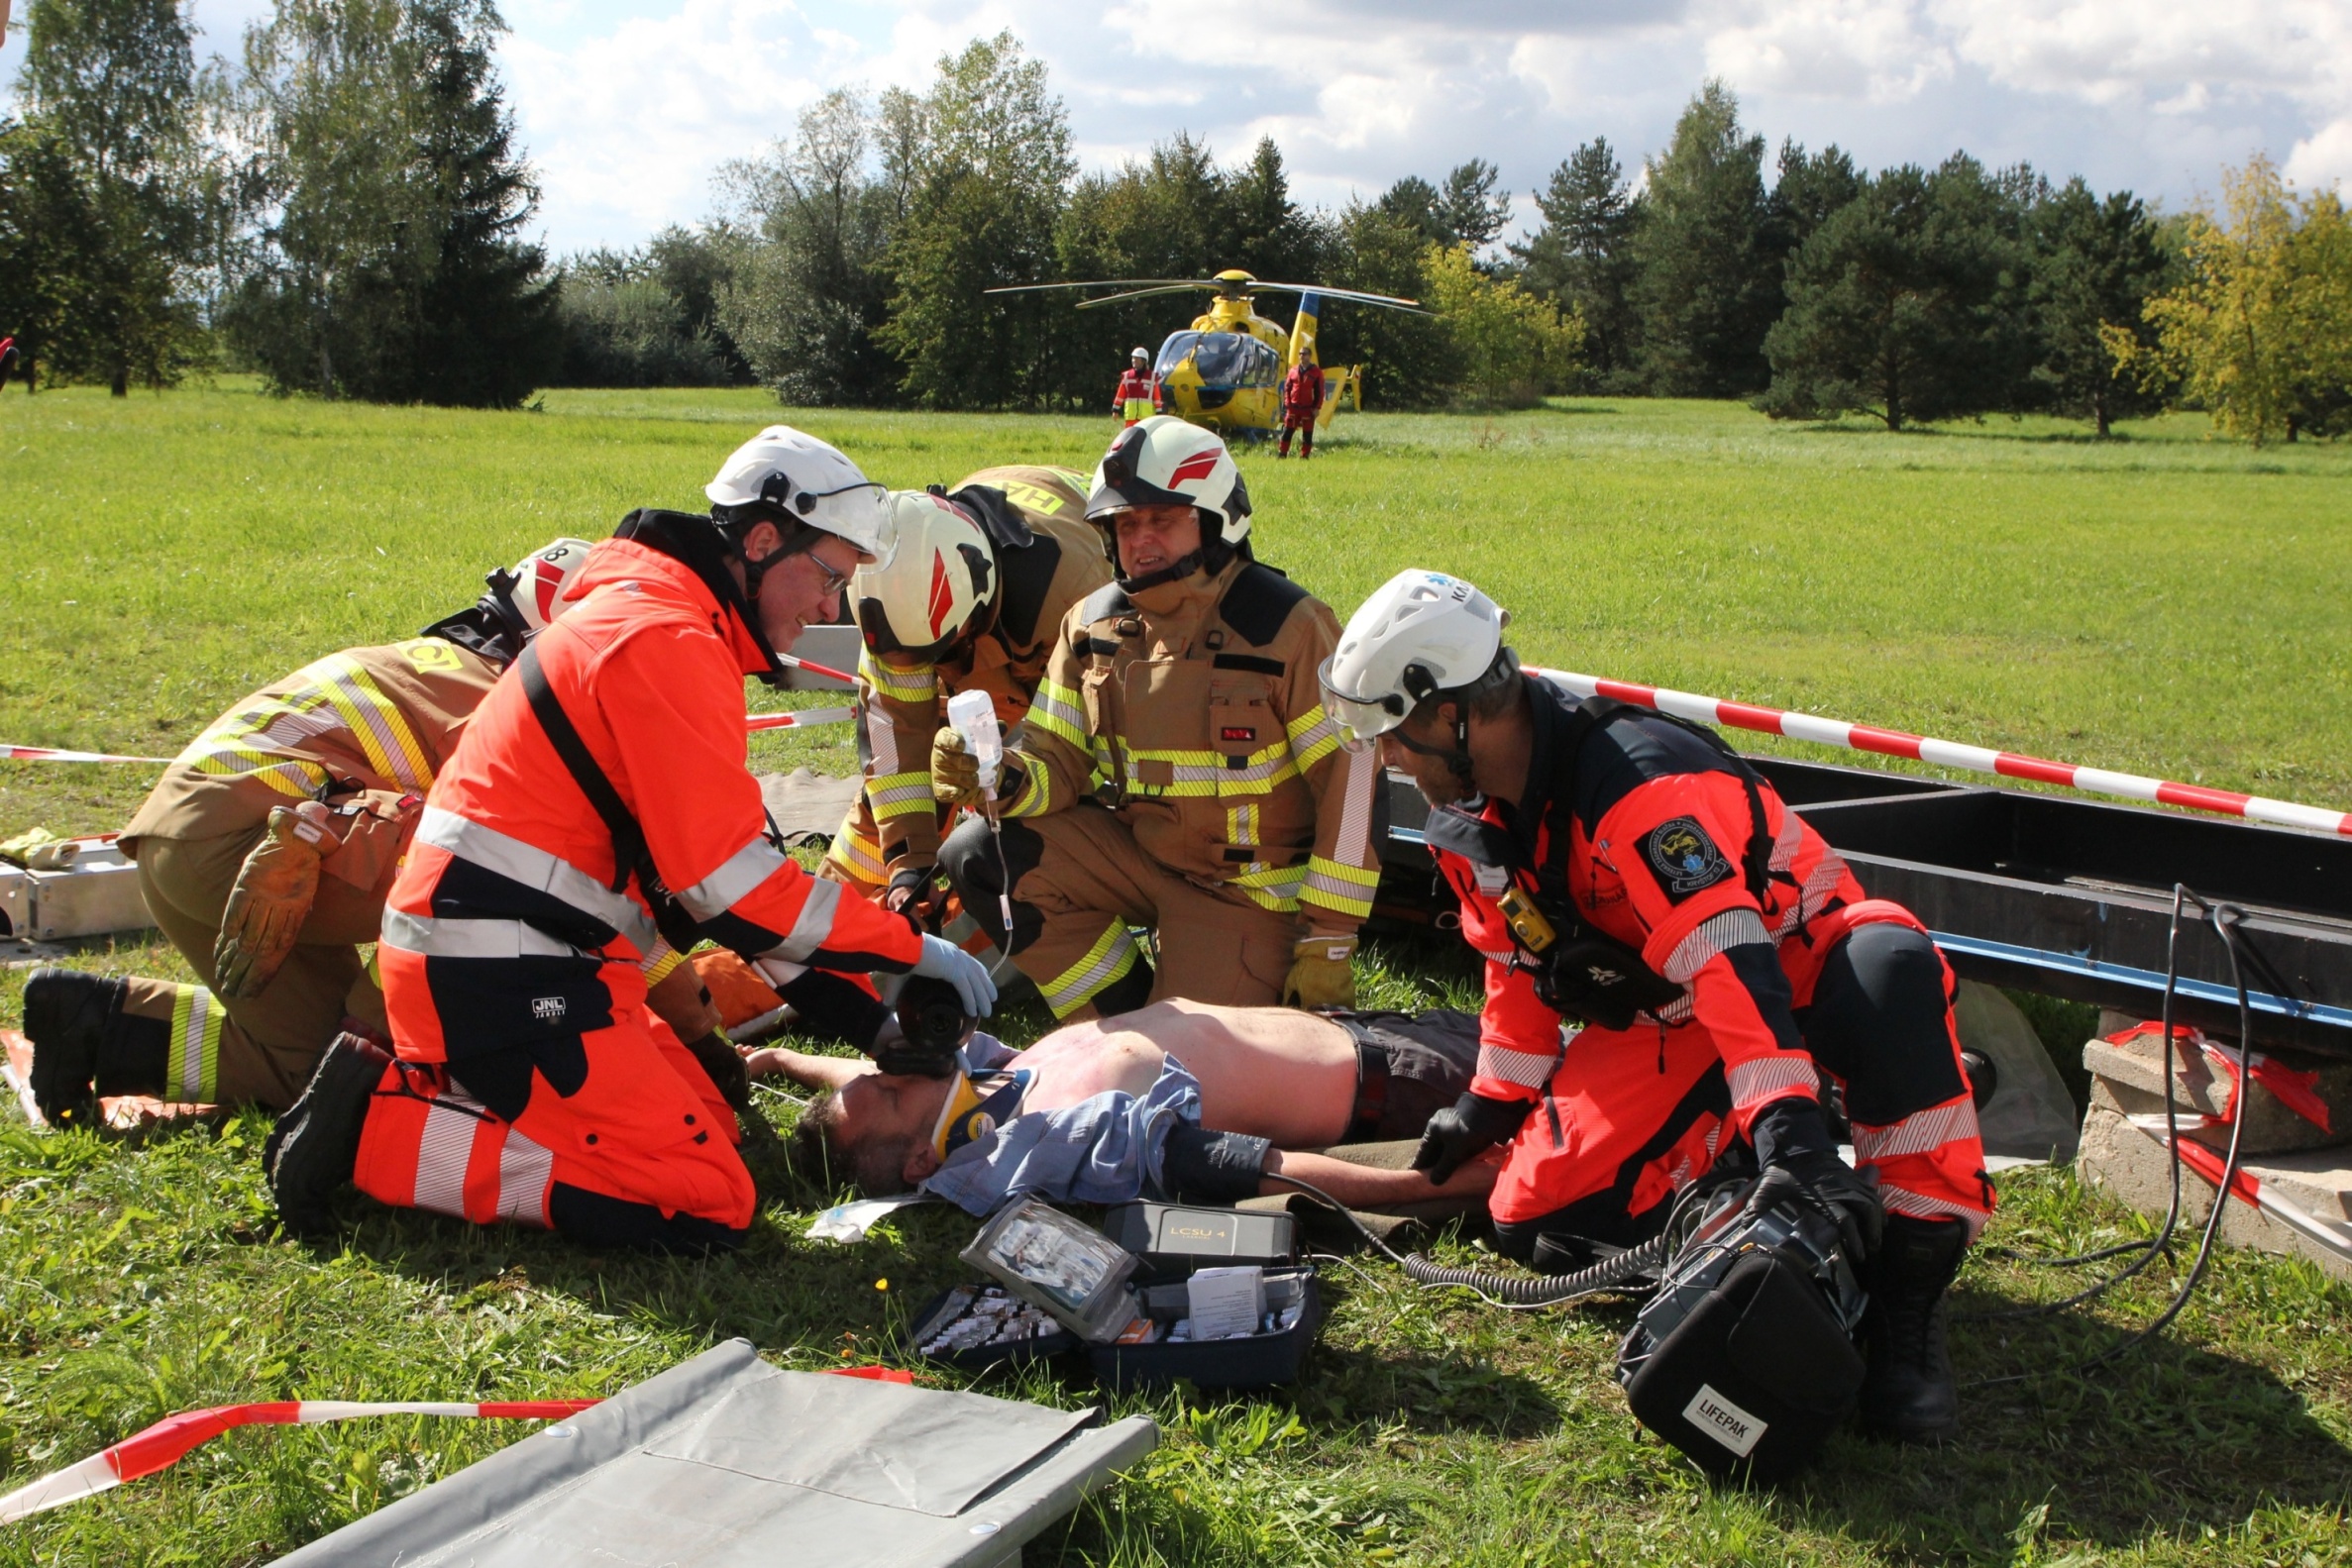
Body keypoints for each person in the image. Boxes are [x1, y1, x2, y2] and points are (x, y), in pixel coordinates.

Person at [263, 426, 999, 1253]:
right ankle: (380, 1126)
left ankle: (457, 1092)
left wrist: (875, 1027)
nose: (831, 608)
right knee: (709, 1199)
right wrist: (911, 949)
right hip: (497, 969)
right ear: (763, 541)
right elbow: (732, 891)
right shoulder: (670, 641)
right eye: (829, 576)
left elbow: (722, 890)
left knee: (718, 1124)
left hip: (526, 955)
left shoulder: (663, 620)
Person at [1320, 569, 1993, 1444]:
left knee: (1890, 968)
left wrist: (1789, 1129)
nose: (1388, 759)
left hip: (1800, 972)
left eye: (1393, 734)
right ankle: (1754, 1181)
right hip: (1676, 1017)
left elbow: (1731, 966)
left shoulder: (1640, 789)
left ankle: (1907, 1296)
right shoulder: (1472, 816)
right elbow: (1514, 963)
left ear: (1453, 713)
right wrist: (1489, 1104)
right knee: (1533, 1219)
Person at [17, 543, 740, 1126]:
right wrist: (698, 1032)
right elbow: (557, 888)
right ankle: (380, 1049)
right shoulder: (512, 705)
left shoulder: (437, 667)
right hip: (262, 844)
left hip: (178, 840)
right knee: (497, 897)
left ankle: (93, 1022)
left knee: (311, 1071)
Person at [930, 416, 1382, 1021]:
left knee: (1193, 1067)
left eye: (1162, 520)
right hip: (1139, 858)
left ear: (1216, 520)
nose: (1141, 540)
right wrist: (1000, 776)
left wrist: (1329, 938)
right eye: (1125, 524)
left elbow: (1352, 788)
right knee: (982, 854)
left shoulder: (1289, 628)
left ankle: (1168, 1014)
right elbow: (1054, 757)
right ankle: (1115, 1018)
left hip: (1245, 895)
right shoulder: (1090, 626)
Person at [772, 998, 1498, 1214]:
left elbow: (857, 1076)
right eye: (891, 1089)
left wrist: (777, 1059)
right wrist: (1426, 1185)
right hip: (1412, 1084)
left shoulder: (989, 1082)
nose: (895, 1068)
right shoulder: (1046, 1143)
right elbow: (1250, 1167)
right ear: (921, 1160)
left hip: (1376, 1030)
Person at [822, 468, 1112, 920]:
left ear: (977, 605)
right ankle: (819, 916)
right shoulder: (895, 596)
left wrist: (1006, 780)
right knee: (888, 809)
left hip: (1058, 647)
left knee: (1037, 820)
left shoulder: (1078, 599)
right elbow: (898, 752)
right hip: (987, 625)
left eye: (945, 654)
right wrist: (909, 866)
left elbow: (1075, 758)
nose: (942, 671)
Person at [1277, 355, 1325, 460]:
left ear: (1309, 356)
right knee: (1287, 431)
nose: (1302, 356)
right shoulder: (1293, 371)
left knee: (1307, 434)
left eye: (1304, 354)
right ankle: (1282, 453)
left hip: (1308, 408)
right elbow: (1287, 389)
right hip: (1293, 408)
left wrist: (1317, 407)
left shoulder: (1316, 372)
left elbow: (1320, 391)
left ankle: (1304, 456)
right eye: (1300, 354)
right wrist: (1287, 404)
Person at [1114, 348, 1154, 426]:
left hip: (1146, 419)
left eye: (1136, 358)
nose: (1133, 360)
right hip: (1130, 418)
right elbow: (1120, 395)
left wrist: (1160, 412)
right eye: (1133, 358)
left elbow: (1157, 398)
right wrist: (1115, 410)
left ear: (1143, 361)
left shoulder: (1152, 377)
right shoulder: (1127, 376)